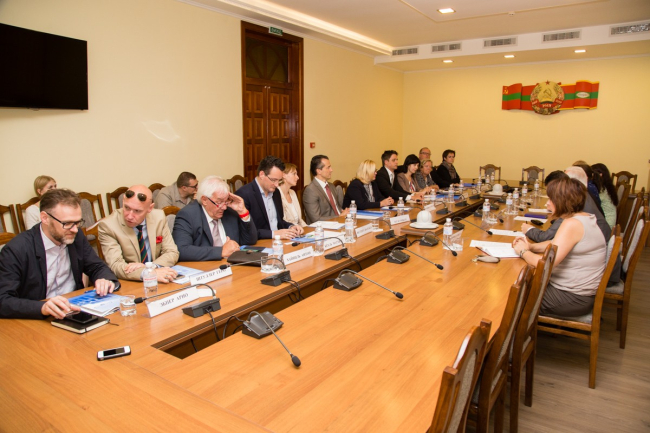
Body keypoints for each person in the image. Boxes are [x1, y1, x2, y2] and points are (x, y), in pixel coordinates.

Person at [0, 189, 118, 319]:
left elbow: (97, 266)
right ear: (45, 218)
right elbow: (3, 300)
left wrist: (104, 279)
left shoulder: (76, 236)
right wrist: (42, 307)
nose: (74, 229)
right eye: (67, 223)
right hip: (37, 318)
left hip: (75, 311)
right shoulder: (17, 249)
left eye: (77, 222)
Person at [512, 177, 606, 317]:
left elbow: (546, 264)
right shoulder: (584, 217)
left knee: (512, 298)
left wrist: (523, 251)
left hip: (572, 297)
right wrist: (531, 247)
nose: (547, 204)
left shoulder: (572, 224)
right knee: (519, 286)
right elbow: (556, 243)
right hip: (576, 293)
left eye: (551, 199)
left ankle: (517, 331)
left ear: (562, 201)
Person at [98, 185, 179, 283]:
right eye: (127, 207)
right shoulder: (108, 225)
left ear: (150, 208)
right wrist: (147, 273)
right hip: (131, 282)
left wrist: (150, 267)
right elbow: (115, 265)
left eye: (137, 211)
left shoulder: (159, 217)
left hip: (158, 277)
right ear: (123, 201)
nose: (130, 216)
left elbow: (172, 252)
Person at [172, 176, 257, 261]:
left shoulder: (229, 210)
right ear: (204, 200)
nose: (224, 207)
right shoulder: (187, 215)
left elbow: (249, 241)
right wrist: (221, 251)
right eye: (219, 202)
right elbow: (182, 250)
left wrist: (243, 211)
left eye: (226, 201)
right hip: (205, 267)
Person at [236, 156, 304, 240]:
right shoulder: (244, 194)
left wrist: (290, 226)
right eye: (273, 180)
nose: (277, 184)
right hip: (259, 243)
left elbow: (279, 221)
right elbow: (246, 231)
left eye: (279, 180)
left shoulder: (276, 192)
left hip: (278, 242)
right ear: (262, 174)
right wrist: (273, 234)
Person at [303, 155, 348, 225]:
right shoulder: (310, 190)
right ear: (319, 171)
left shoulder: (331, 186)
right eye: (328, 167)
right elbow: (316, 219)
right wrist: (339, 217)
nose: (331, 170)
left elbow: (336, 208)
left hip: (340, 222)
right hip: (323, 227)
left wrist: (344, 212)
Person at [278, 163, 307, 228]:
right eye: (294, 174)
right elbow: (283, 222)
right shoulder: (277, 194)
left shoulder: (292, 192)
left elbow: (300, 220)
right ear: (283, 175)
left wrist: (308, 229)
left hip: (299, 230)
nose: (297, 177)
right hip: (287, 230)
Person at [591, 163, 618, 228]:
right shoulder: (607, 187)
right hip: (609, 222)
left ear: (600, 175)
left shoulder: (602, 190)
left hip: (607, 225)